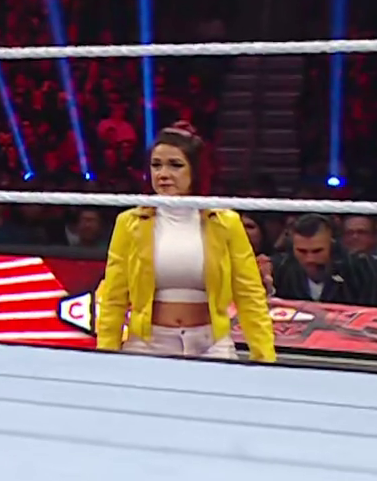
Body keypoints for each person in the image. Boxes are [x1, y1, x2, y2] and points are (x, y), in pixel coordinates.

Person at [94, 124, 275, 362]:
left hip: (210, 343)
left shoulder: (225, 223)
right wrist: (105, 354)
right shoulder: (129, 223)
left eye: (175, 165)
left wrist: (264, 357)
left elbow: (249, 294)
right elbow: (114, 297)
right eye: (156, 165)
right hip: (148, 344)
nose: (163, 173)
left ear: (195, 170)